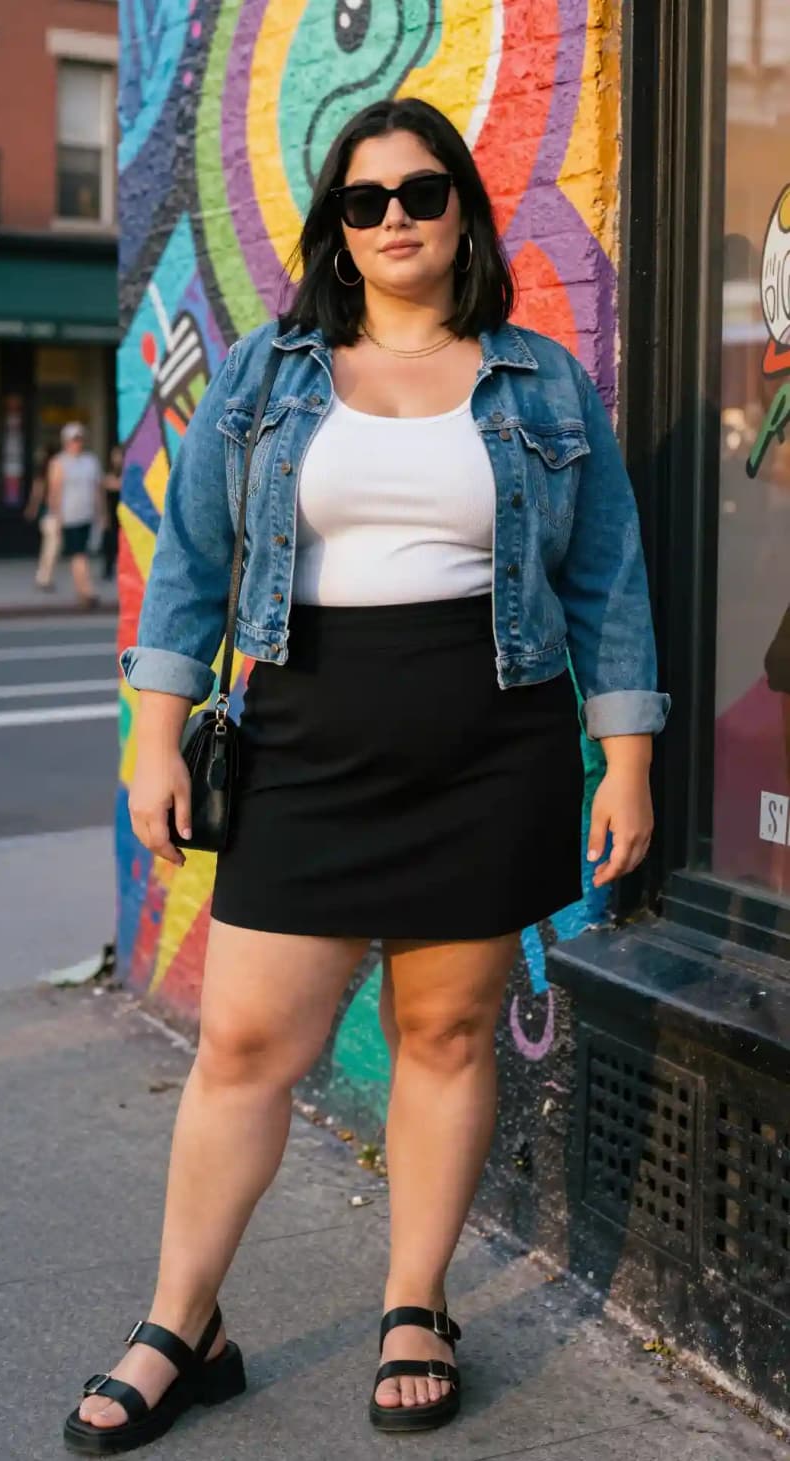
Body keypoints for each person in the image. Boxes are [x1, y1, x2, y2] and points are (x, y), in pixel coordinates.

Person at [64, 98, 670, 1452]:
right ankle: (182, 1325)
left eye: (421, 192)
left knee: (443, 1036)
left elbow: (608, 580)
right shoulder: (270, 373)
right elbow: (193, 565)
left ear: (463, 211)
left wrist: (624, 759)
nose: (395, 217)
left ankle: (416, 1305)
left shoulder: (541, 381)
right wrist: (156, 738)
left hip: (490, 741)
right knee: (245, 1044)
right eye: (364, 199)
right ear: (337, 228)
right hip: (304, 740)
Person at [48, 423, 102, 609]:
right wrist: (56, 517)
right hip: (69, 515)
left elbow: (97, 489)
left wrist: (101, 513)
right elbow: (55, 492)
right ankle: (87, 590)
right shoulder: (59, 463)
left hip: (87, 514)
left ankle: (82, 590)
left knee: (82, 554)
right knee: (79, 554)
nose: (77, 444)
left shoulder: (90, 461)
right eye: (73, 440)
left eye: (79, 440)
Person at [25, 445, 60, 591]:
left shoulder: (43, 474)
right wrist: (33, 508)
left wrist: (32, 508)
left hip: (49, 513)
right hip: (51, 513)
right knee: (52, 547)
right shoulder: (48, 474)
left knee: (49, 546)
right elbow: (37, 493)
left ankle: (43, 576)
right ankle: (44, 578)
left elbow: (36, 493)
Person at [101, 444, 123, 581]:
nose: (117, 458)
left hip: (124, 515)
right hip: (111, 513)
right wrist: (104, 515)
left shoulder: (128, 473)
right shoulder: (108, 474)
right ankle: (108, 568)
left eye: (119, 455)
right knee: (109, 542)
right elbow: (104, 495)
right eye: (115, 455)